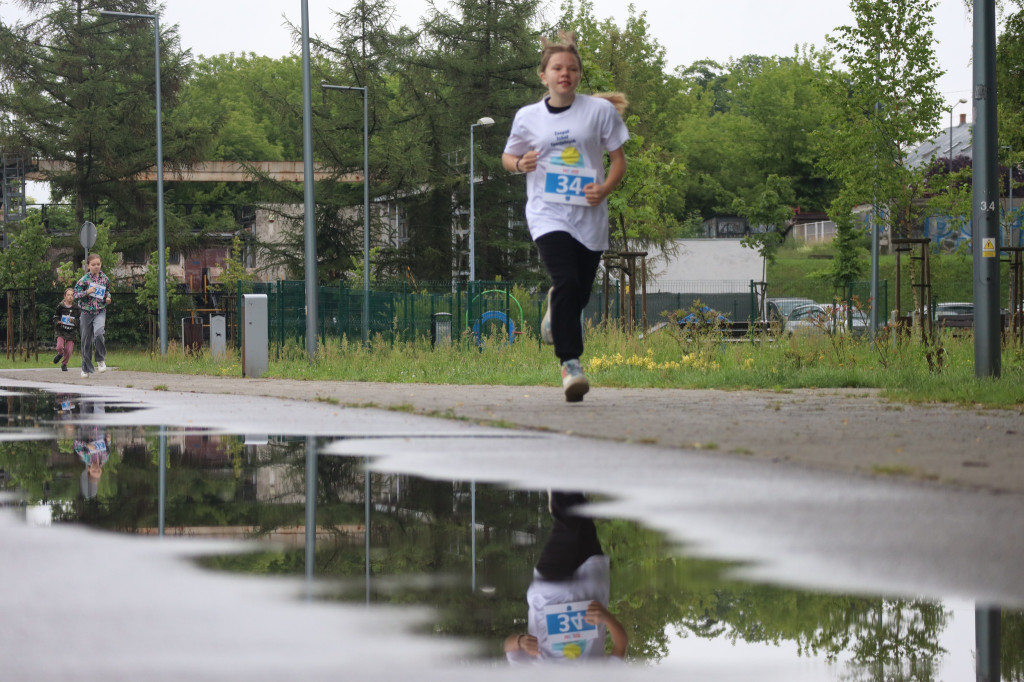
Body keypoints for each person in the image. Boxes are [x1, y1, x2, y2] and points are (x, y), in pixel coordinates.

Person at [502, 30, 629, 403]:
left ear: (578, 75)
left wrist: (603, 189)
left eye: (572, 68)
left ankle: (554, 312)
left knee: (578, 291)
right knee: (566, 280)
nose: (565, 73)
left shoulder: (599, 112)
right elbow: (509, 158)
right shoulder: (528, 118)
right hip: (547, 212)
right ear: (544, 76)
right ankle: (570, 364)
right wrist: (518, 164)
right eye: (557, 68)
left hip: (589, 216)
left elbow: (619, 162)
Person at [504, 491, 628, 664]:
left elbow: (509, 649)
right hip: (591, 584)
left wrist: (520, 641)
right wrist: (606, 617)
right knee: (582, 514)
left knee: (568, 523)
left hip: (549, 592)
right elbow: (621, 645)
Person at [74, 253, 112, 378]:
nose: (96, 267)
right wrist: (87, 292)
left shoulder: (105, 279)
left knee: (99, 333)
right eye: (93, 264)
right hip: (86, 312)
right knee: (86, 340)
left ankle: (100, 359)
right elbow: (75, 295)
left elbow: (107, 292)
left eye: (98, 264)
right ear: (88, 266)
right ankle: (85, 367)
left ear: (101, 264)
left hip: (100, 311)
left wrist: (108, 298)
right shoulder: (84, 280)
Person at [51, 287, 79, 372]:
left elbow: (79, 319)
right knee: (60, 346)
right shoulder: (60, 306)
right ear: (64, 296)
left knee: (69, 350)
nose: (70, 297)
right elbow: (55, 316)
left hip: (71, 331)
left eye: (72, 295)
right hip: (61, 330)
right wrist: (58, 322)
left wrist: (73, 321)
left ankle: (64, 364)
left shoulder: (76, 307)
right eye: (68, 295)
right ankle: (60, 354)